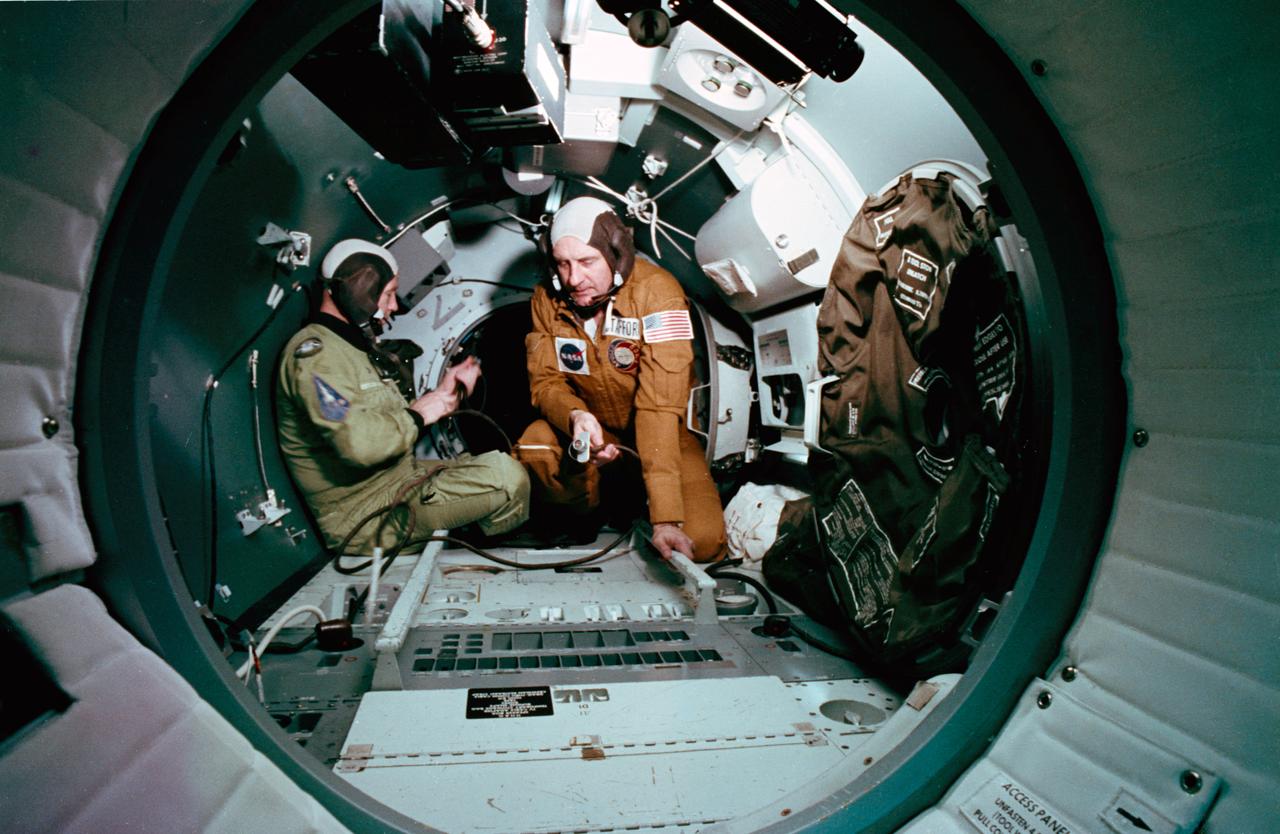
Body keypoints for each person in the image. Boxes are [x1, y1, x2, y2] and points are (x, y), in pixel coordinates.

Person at [277, 239, 529, 554]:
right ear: (359, 289)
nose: (394, 306)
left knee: (498, 462)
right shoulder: (316, 356)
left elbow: (381, 420)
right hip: (364, 516)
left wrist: (442, 395)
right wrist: (419, 414)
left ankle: (477, 530)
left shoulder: (350, 349)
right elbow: (359, 445)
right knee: (507, 479)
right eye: (388, 294)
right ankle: (485, 539)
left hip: (399, 482)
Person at [516, 197, 726, 562]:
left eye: (586, 261)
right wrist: (576, 417)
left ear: (616, 255)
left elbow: (659, 407)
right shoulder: (546, 300)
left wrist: (666, 518)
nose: (573, 278)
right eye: (563, 263)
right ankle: (584, 513)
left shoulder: (658, 292)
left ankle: (641, 508)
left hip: (663, 436)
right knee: (535, 443)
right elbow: (546, 384)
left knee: (702, 543)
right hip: (593, 434)